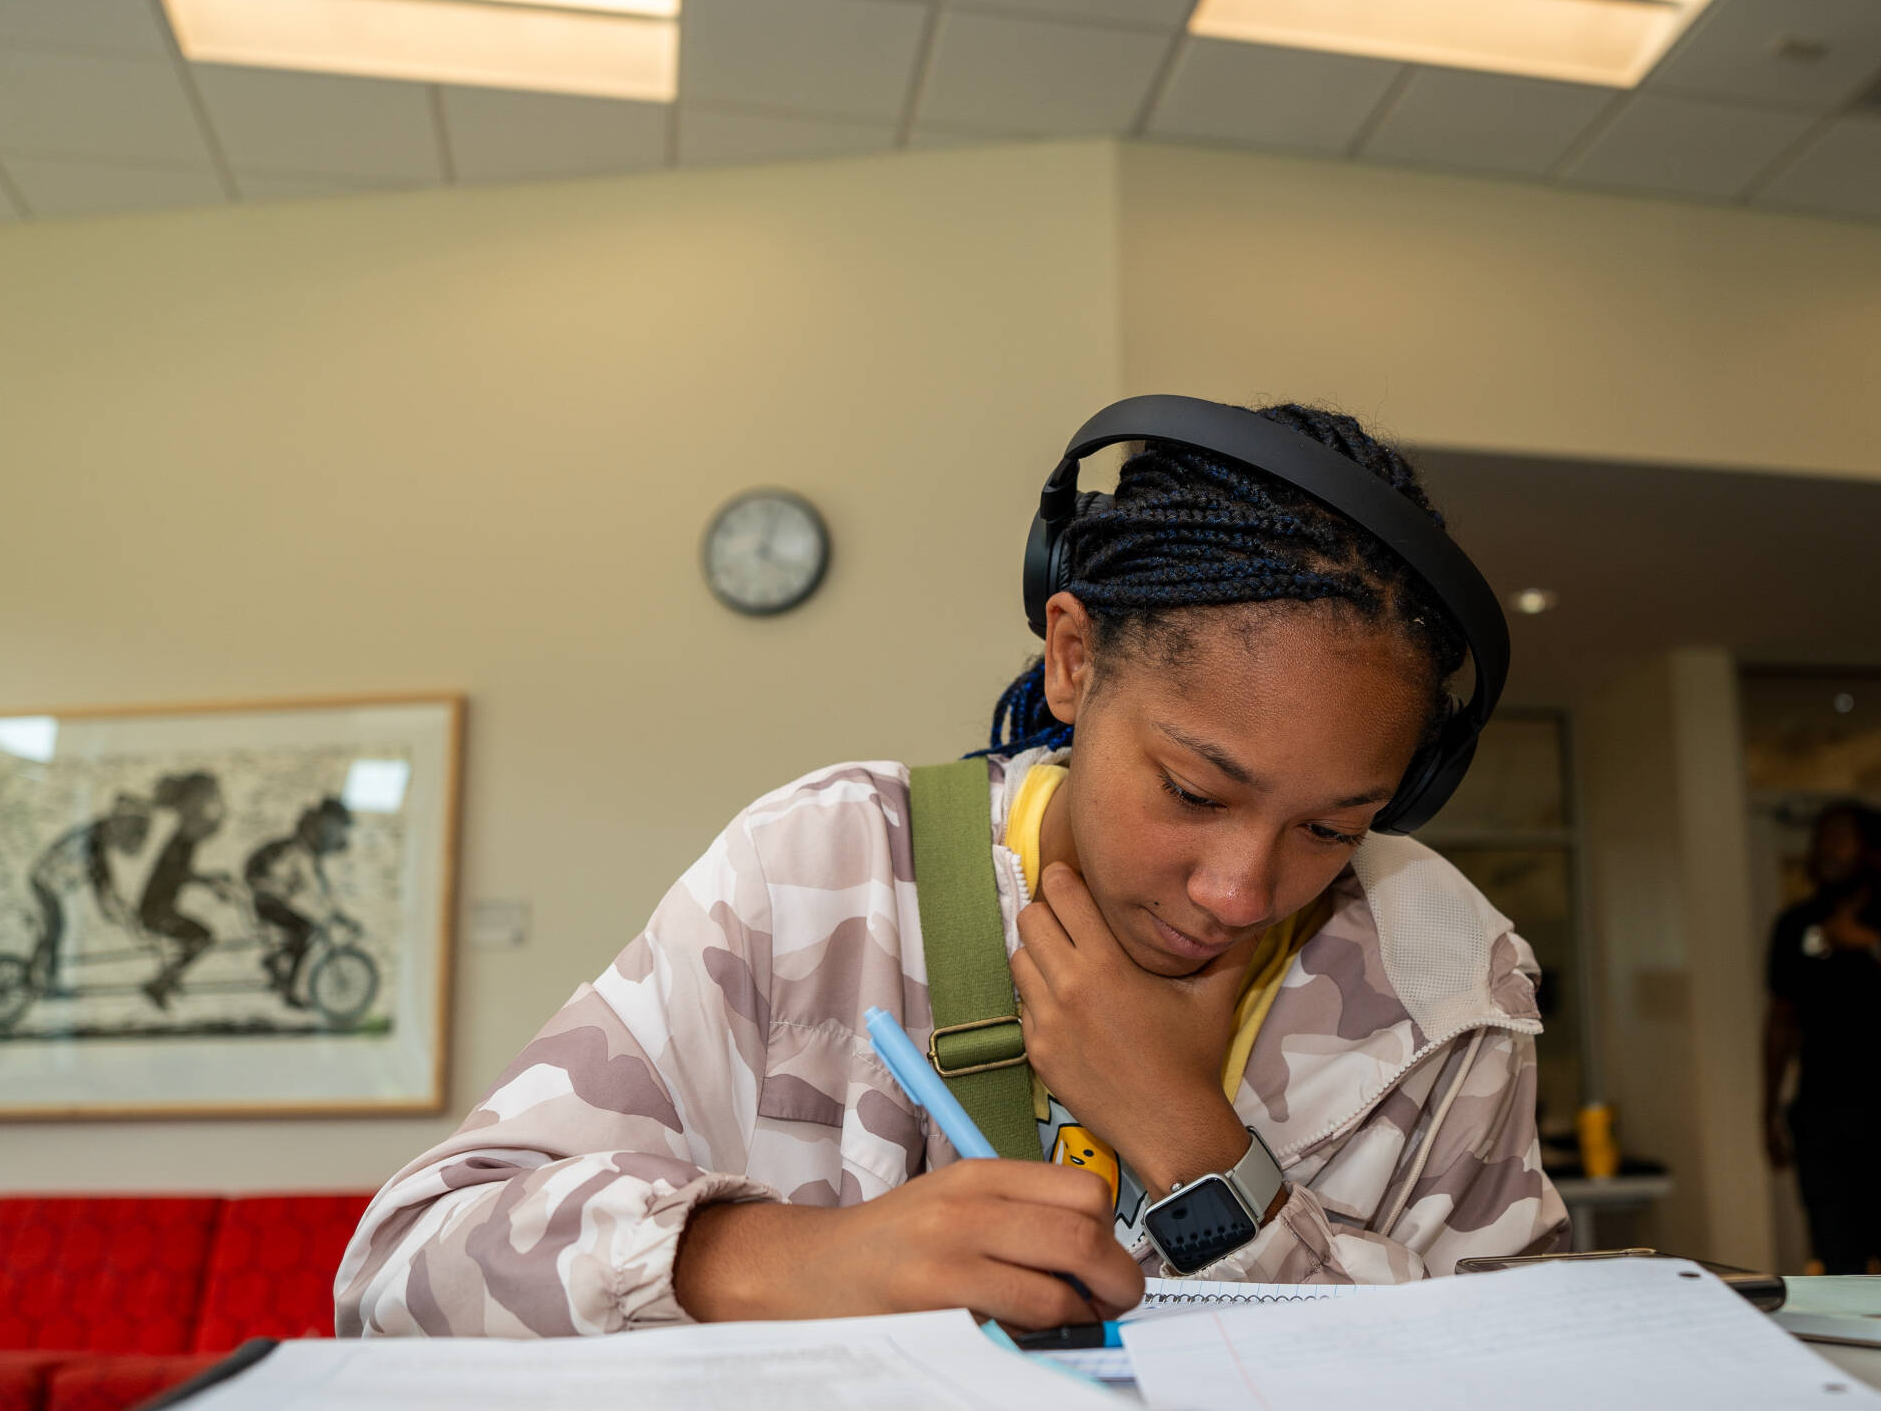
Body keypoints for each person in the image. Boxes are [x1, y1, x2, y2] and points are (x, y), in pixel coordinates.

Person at [336, 401, 1566, 1339]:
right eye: (1193, 792)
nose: (1239, 891)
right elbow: (401, 1269)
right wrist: (797, 1260)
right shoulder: (827, 872)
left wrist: (1195, 1145)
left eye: (1331, 828)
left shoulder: (1447, 982)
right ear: (1072, 660)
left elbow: (1527, 1367)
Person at [1763, 800, 1881, 1274]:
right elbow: (1780, 1020)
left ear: (1871, 850)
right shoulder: (1795, 925)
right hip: (1823, 1111)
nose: (1825, 850)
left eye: (1839, 838)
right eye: (1820, 839)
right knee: (1835, 1253)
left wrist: (1869, 944)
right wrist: (1767, 1110)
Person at [25, 793, 151, 995]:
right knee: (55, 929)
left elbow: (105, 885)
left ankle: (39, 975)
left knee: (54, 929)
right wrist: (126, 921)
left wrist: (122, 913)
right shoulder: (96, 840)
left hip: (48, 878)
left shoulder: (99, 835)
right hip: (47, 880)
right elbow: (103, 888)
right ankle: (42, 979)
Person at [244, 797, 353, 1009]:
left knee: (300, 931)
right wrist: (336, 916)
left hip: (266, 898)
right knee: (306, 929)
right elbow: (314, 890)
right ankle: (290, 990)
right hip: (269, 900)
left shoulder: (292, 848)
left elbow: (314, 890)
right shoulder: (298, 853)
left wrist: (336, 914)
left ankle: (276, 961)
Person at [137, 771, 230, 1010]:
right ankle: (160, 983)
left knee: (197, 937)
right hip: (155, 912)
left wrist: (211, 880)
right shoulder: (182, 841)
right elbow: (179, 875)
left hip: (159, 908)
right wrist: (210, 882)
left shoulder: (183, 840)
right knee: (201, 938)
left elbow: (181, 874)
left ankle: (169, 977)